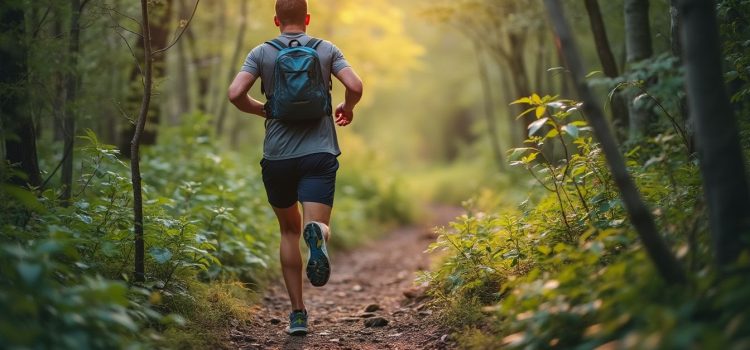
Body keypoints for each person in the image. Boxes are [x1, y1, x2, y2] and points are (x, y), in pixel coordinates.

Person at [227, 0, 363, 336]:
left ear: (276, 20)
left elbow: (234, 94)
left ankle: (298, 314)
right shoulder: (325, 48)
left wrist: (265, 110)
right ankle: (319, 236)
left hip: (278, 158)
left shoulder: (261, 53)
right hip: (318, 153)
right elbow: (356, 85)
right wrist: (347, 105)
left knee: (288, 231)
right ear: (306, 18)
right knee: (315, 225)